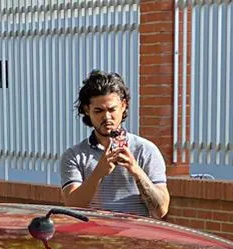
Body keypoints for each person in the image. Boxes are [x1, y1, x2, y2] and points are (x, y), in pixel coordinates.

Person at [57, 70, 169, 219]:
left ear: (123, 106)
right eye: (98, 111)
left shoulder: (145, 150)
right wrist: (98, 172)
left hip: (136, 237)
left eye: (112, 109)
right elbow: (72, 206)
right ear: (86, 110)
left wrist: (135, 170)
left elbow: (161, 210)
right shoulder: (74, 156)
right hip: (94, 237)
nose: (107, 117)